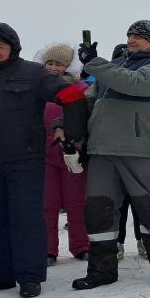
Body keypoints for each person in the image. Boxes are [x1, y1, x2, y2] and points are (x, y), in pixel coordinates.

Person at [0, 23, 88, 298]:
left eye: (0, 47)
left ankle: (29, 276)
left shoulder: (33, 73)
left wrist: (71, 133)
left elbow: (73, 95)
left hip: (24, 160)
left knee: (27, 219)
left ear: (12, 49)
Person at [70, 22, 150, 289]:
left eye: (140, 37)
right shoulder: (117, 65)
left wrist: (95, 63)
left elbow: (135, 84)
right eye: (130, 35)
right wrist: (65, 124)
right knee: (99, 210)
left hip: (138, 149)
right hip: (102, 149)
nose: (132, 40)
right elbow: (89, 99)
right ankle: (101, 272)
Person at [39, 44, 89, 265]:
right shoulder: (38, 89)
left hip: (73, 154)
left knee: (76, 202)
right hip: (45, 155)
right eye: (49, 63)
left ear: (69, 67)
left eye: (59, 64)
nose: (53, 68)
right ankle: (48, 249)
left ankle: (80, 246)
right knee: (47, 204)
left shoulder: (81, 90)